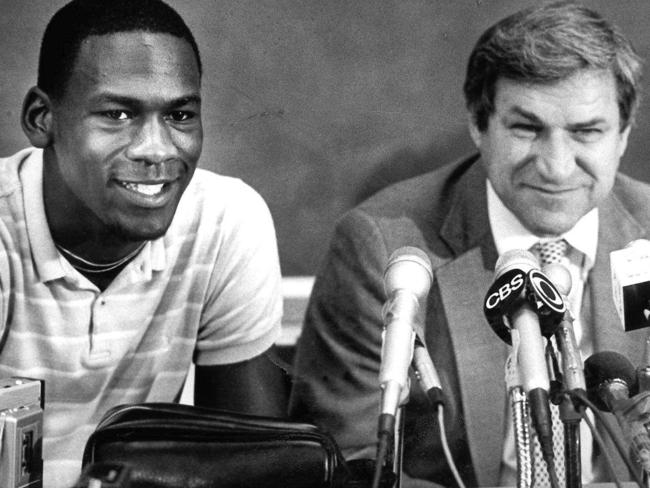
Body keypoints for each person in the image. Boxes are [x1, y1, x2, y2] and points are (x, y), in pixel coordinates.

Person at [289, 2, 650, 486]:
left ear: (624, 135)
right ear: (478, 126)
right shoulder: (378, 246)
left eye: (586, 132)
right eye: (526, 128)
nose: (556, 166)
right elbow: (348, 459)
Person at [0, 0, 287, 486]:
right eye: (117, 114)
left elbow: (248, 460)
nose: (156, 149)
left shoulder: (224, 221)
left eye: (179, 114)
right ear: (41, 118)